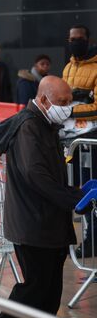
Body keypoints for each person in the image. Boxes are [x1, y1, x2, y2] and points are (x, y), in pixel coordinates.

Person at [0, 76, 85, 318]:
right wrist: (74, 197)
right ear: (43, 99)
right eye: (62, 101)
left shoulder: (45, 124)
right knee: (34, 291)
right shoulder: (29, 126)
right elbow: (36, 174)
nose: (67, 106)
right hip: (33, 223)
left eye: (69, 101)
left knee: (49, 293)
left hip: (46, 223)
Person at [60, 24, 97, 257]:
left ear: (88, 39)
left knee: (93, 189)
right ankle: (86, 239)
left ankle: (92, 240)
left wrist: (72, 112)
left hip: (91, 141)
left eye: (80, 38)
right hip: (72, 143)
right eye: (72, 38)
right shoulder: (67, 67)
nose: (75, 42)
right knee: (79, 190)